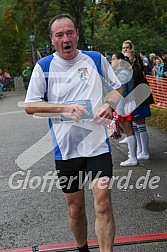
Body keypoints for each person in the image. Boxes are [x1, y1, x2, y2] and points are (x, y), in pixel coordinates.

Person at [24, 13, 122, 252]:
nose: (65, 38)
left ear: (77, 35)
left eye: (70, 33)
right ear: (52, 40)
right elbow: (30, 105)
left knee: (103, 203)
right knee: (75, 209)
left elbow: (117, 88)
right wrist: (64, 108)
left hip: (97, 144)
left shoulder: (95, 59)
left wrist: (109, 104)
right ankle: (83, 249)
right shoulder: (44, 66)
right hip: (66, 150)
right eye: (60, 35)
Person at [124, 50, 154, 160]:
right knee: (136, 126)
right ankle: (140, 150)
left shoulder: (135, 71)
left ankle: (144, 151)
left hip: (141, 100)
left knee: (141, 126)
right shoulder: (131, 70)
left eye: (127, 58)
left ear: (134, 59)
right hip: (138, 100)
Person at [111, 52, 138, 166]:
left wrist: (119, 108)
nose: (111, 61)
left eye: (113, 59)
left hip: (124, 104)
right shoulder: (125, 72)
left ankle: (133, 157)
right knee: (129, 130)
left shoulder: (122, 74)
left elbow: (122, 92)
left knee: (128, 130)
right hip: (127, 103)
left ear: (120, 61)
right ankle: (132, 155)